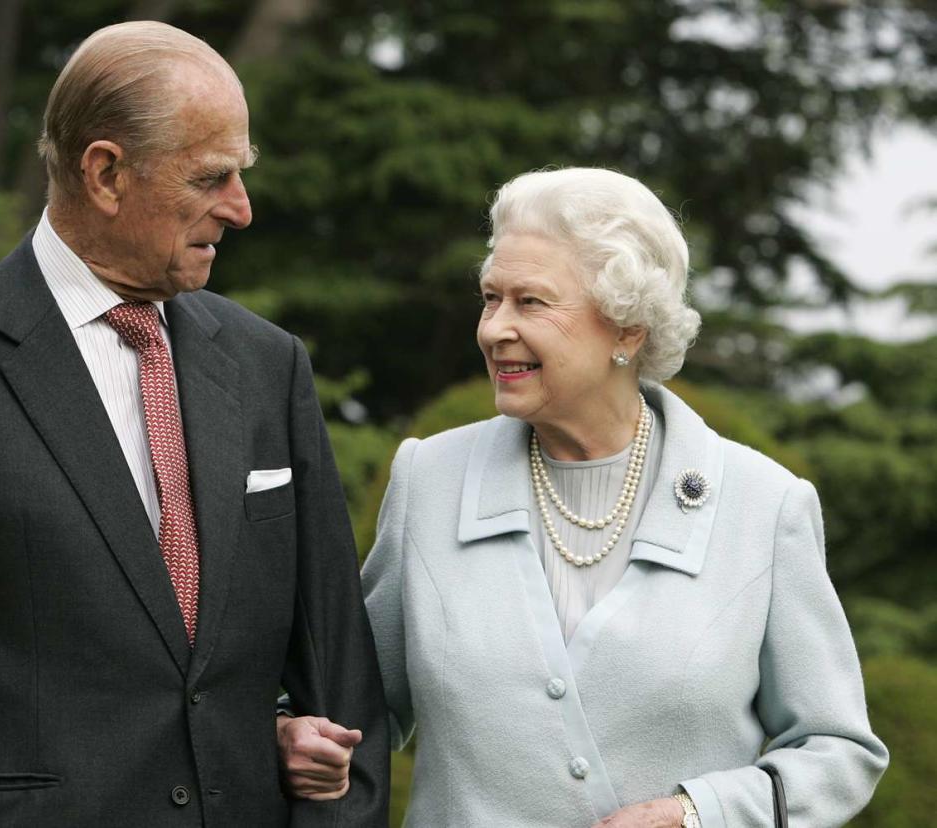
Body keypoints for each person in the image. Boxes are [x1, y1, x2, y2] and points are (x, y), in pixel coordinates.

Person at [0, 21, 388, 827]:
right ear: (106, 174)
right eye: (211, 177)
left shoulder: (269, 366)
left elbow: (341, 677)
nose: (241, 209)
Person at [278, 167, 888, 826]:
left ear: (627, 328)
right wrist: (292, 732)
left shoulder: (764, 506)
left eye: (531, 302)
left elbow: (838, 750)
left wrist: (697, 815)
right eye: (490, 298)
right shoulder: (430, 480)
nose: (493, 329)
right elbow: (354, 706)